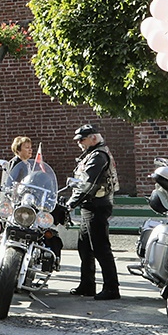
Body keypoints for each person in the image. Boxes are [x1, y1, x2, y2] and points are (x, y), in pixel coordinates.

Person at [65, 124, 121, 301]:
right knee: (85, 246)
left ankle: (112, 288)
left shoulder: (98, 156)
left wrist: (70, 204)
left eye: (82, 139)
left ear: (93, 138)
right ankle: (88, 284)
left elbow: (88, 185)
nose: (79, 143)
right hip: (90, 206)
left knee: (100, 247)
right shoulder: (93, 154)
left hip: (97, 205)